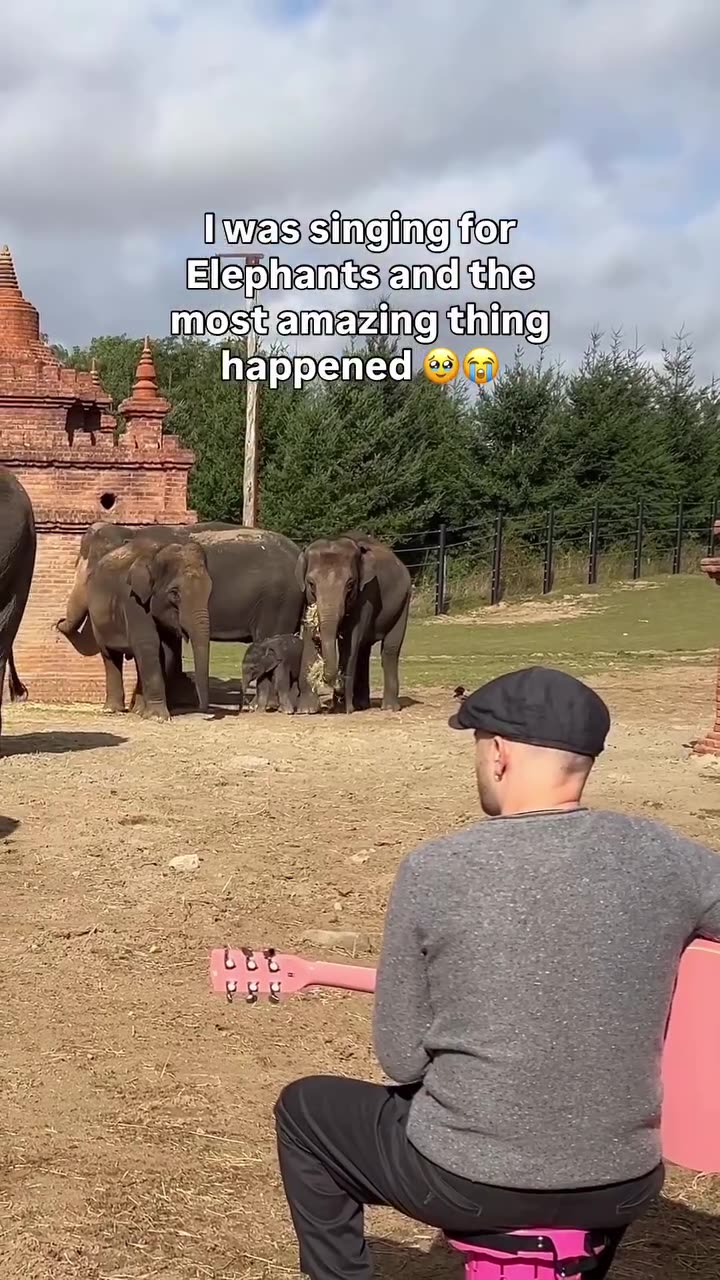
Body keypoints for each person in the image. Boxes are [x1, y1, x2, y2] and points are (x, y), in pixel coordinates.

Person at [274, 666, 720, 1280]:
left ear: (499, 753)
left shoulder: (437, 868)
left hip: (467, 1181)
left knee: (304, 1112)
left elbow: (401, 1059)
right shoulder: (668, 857)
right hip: (622, 1182)